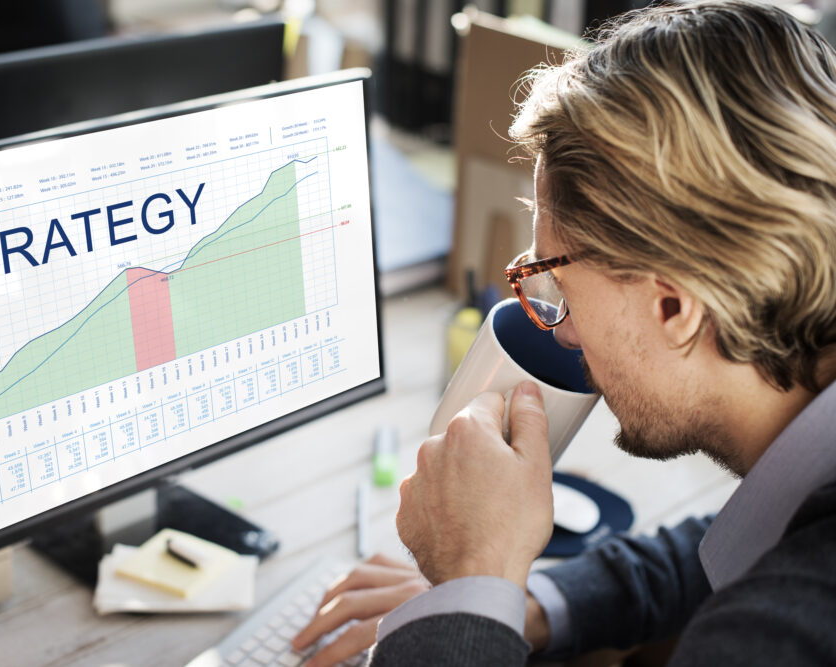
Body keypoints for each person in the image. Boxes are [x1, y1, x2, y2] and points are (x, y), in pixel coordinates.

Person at [292, 1, 836, 664]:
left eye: (558, 284)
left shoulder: (785, 637)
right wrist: (517, 603)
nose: (565, 332)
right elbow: (740, 545)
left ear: (675, 307)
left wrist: (472, 574)